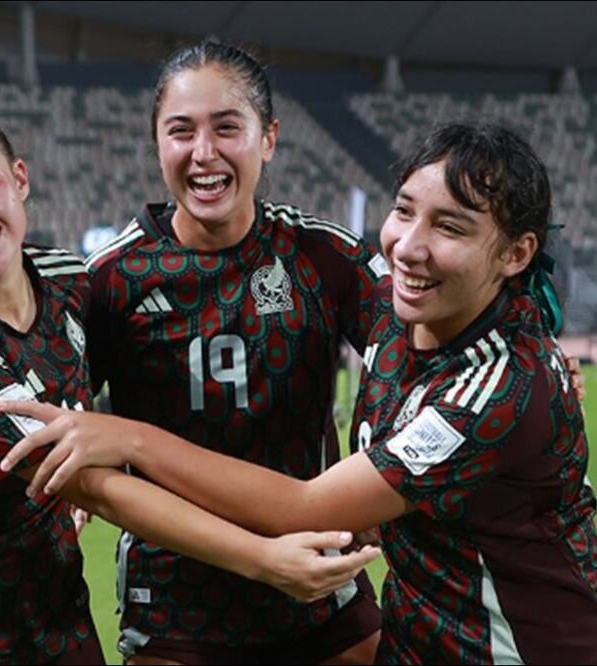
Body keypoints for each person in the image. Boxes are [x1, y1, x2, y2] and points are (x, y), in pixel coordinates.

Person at [0, 124, 597, 664]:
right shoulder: (399, 324)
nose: (409, 246)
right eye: (404, 211)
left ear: (516, 253)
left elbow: (308, 508)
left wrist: (128, 438)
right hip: (420, 643)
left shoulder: (498, 385)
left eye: (450, 227)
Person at [0, 104, 378, 665]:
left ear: (19, 178)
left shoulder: (69, 283)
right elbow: (91, 485)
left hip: (52, 610)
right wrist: (264, 559)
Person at [77, 41, 387, 664]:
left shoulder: (324, 257)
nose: (204, 153)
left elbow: (422, 350)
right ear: (157, 143)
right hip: (177, 602)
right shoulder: (110, 281)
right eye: (181, 131)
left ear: (267, 138)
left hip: (318, 580)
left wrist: (531, 353)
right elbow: (56, 415)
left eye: (226, 128)